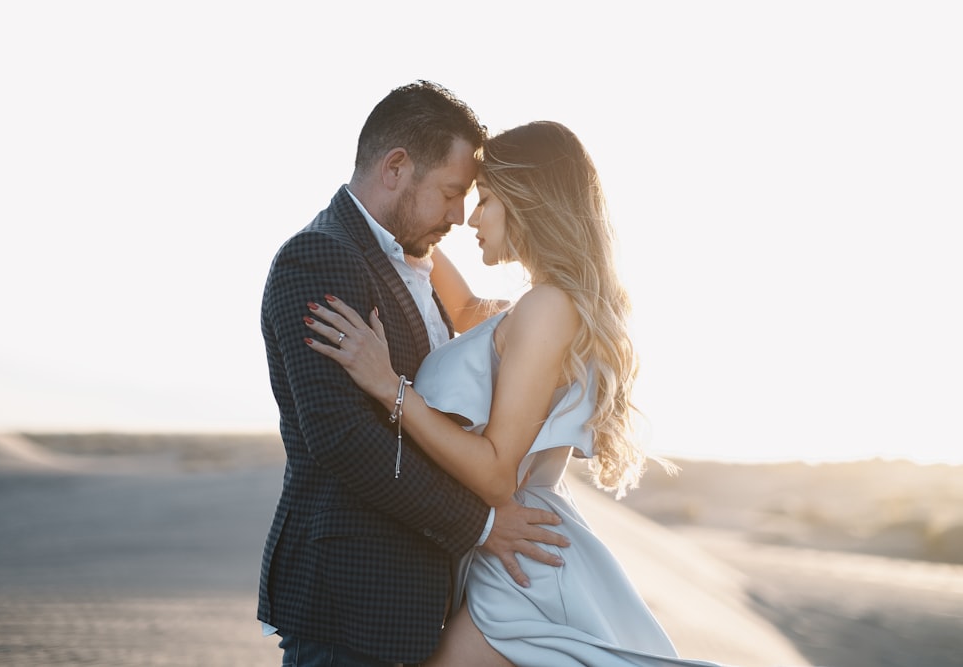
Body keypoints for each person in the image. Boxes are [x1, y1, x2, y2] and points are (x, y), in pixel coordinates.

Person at [304, 121, 738, 666]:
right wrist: (398, 227)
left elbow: (495, 471)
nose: (469, 218)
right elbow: (464, 311)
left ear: (529, 203)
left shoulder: (547, 309)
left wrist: (389, 387)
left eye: (485, 200)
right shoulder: (536, 307)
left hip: (521, 560)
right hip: (515, 550)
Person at [257, 82, 570, 667]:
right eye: (452, 194)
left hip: (420, 606)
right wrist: (480, 524)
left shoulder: (413, 258)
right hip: (352, 602)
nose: (459, 215)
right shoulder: (320, 257)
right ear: (396, 167)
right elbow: (343, 440)